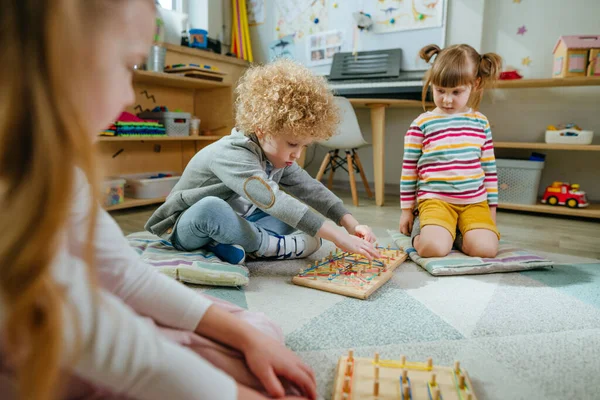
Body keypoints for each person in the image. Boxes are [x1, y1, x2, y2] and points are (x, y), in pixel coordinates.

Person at [0, 1, 315, 399]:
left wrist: (243, 338)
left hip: (87, 323)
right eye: (128, 65)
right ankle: (268, 249)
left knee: (260, 332)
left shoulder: (56, 172)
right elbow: (125, 352)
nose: (131, 97)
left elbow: (127, 275)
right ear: (58, 56)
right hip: (39, 357)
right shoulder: (233, 150)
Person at [146, 59, 380, 265]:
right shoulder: (232, 153)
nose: (297, 154)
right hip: (187, 226)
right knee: (212, 209)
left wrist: (350, 224)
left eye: (303, 146)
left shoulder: (276, 157)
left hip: (241, 221)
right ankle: (267, 247)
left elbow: (311, 189)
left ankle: (228, 245)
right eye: (291, 144)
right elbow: (274, 200)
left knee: (293, 218)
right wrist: (337, 236)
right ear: (262, 129)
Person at [398, 44, 503, 259]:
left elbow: (489, 171)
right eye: (440, 90)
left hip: (475, 202)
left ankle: (454, 232)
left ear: (476, 84)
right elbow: (409, 171)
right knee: (432, 250)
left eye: (456, 92)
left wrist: (492, 211)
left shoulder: (480, 123)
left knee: (486, 250)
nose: (447, 99)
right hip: (435, 201)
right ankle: (430, 230)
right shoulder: (422, 124)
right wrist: (406, 211)